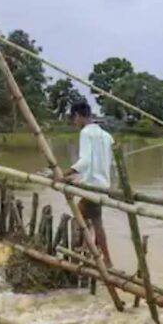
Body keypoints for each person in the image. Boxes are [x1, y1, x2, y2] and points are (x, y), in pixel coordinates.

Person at [61, 101, 115, 266]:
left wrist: (65, 174)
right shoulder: (106, 136)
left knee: (81, 216)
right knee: (93, 219)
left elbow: (85, 161)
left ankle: (95, 253)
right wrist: (78, 178)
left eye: (74, 119)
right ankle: (100, 255)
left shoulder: (86, 133)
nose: (74, 123)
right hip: (102, 185)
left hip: (92, 187)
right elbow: (103, 163)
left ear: (78, 115)